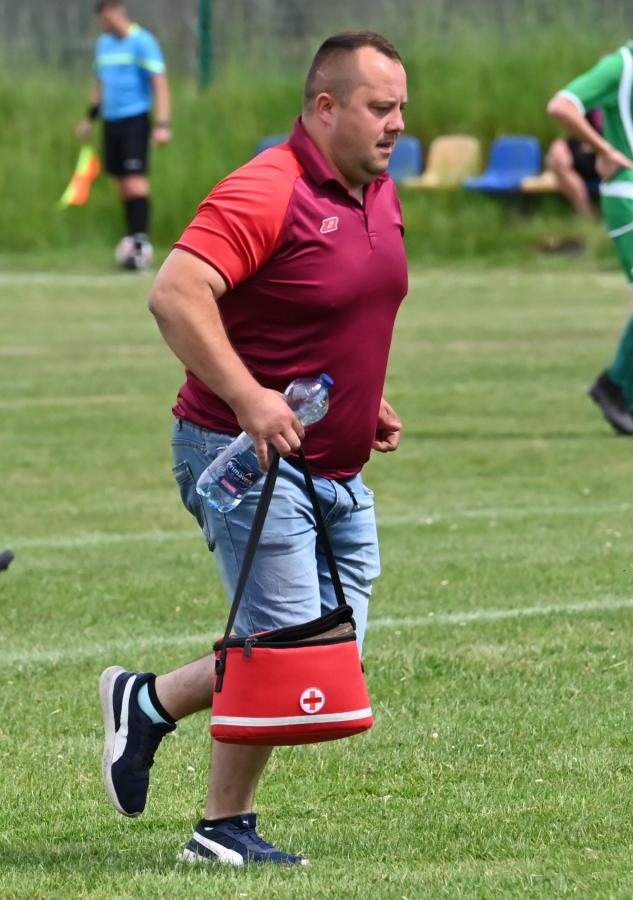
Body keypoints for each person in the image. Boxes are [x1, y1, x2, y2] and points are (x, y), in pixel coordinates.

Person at [98, 31, 408, 865]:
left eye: (401, 109)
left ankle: (149, 703)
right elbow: (175, 294)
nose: (396, 124)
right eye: (380, 108)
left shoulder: (377, 190)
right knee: (288, 650)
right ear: (325, 108)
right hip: (243, 456)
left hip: (333, 462)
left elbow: (335, 304)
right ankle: (220, 830)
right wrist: (248, 397)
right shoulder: (267, 187)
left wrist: (362, 394)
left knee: (329, 656)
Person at [548, 43, 633, 434]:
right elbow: (561, 105)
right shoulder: (621, 65)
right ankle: (615, 387)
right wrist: (606, 149)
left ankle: (618, 387)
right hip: (627, 197)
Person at [76, 0, 171, 270]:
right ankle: (132, 239)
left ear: (118, 12)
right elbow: (100, 84)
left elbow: (160, 84)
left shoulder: (143, 42)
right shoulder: (103, 44)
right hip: (111, 121)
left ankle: (141, 242)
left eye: (107, 17)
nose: (104, 24)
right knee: (121, 183)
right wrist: (90, 118)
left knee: (135, 181)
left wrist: (162, 123)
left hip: (135, 120)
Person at [544, 110, 603, 217]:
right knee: (556, 160)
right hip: (581, 156)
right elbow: (575, 132)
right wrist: (560, 144)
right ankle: (585, 213)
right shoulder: (585, 109)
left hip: (607, 155)